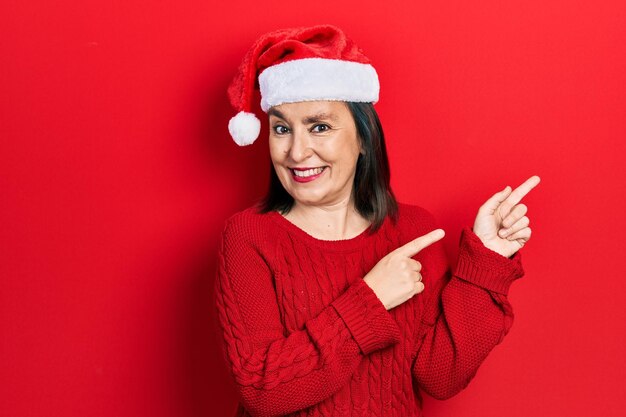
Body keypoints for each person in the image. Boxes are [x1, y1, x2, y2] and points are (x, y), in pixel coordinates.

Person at [214, 24, 540, 417]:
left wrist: (486, 262)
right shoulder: (249, 236)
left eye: (320, 127)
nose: (297, 151)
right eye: (281, 129)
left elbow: (440, 377)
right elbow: (262, 391)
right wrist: (370, 299)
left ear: (364, 139)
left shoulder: (415, 232)